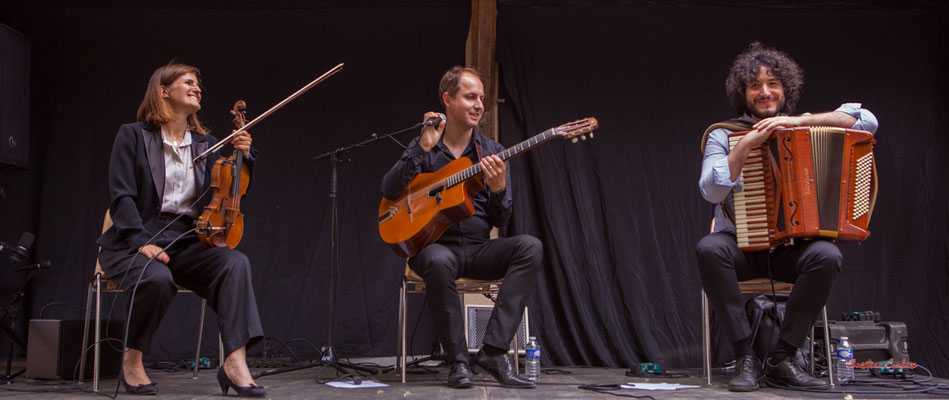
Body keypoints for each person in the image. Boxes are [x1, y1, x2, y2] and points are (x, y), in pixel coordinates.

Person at [696, 43, 878, 392]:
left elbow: (866, 120)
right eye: (755, 85)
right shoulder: (724, 134)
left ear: (786, 88)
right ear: (743, 93)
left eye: (773, 83)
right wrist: (745, 145)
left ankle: (783, 358)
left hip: (789, 252)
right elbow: (711, 191)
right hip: (742, 249)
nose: (765, 92)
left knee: (826, 255)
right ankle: (745, 356)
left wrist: (800, 121)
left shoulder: (805, 125)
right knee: (709, 248)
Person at [97, 63, 266, 397]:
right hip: (132, 240)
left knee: (235, 264)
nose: (197, 88)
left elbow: (232, 191)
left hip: (186, 240)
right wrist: (140, 241)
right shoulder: (132, 135)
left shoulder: (208, 144)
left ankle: (234, 362)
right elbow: (122, 197)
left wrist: (244, 157)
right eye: (188, 82)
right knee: (157, 280)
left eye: (198, 84)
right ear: (163, 90)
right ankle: (132, 360)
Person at [381, 66, 542, 389]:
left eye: (481, 98)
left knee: (530, 246)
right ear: (447, 99)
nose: (479, 104)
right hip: (434, 248)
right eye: (470, 96)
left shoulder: (492, 152)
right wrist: (420, 149)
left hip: (478, 248)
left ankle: (494, 352)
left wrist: (498, 190)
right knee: (439, 260)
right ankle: (458, 362)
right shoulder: (425, 145)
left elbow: (501, 220)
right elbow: (388, 190)